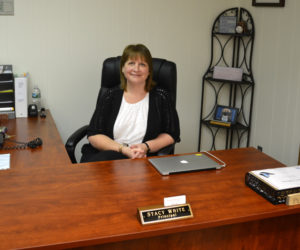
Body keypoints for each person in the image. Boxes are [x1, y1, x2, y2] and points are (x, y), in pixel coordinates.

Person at [80, 44, 180, 163]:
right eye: (131, 63)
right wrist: (123, 150)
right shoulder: (110, 96)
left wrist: (145, 147)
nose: (136, 69)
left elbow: (171, 133)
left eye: (142, 64)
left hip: (142, 158)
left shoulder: (161, 98)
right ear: (123, 68)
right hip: (108, 154)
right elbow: (94, 134)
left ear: (149, 71)